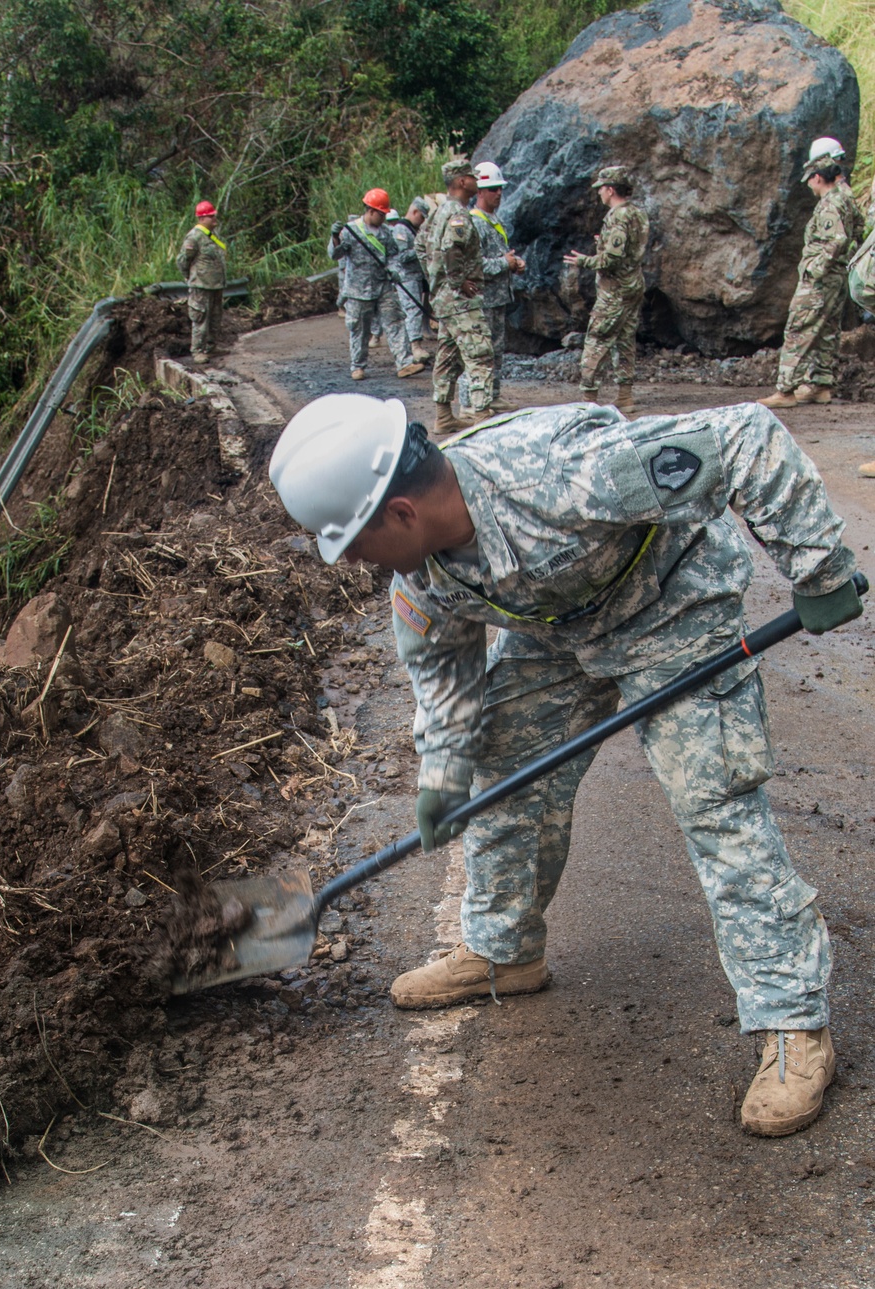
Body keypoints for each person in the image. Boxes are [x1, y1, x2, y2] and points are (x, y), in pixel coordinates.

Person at [270, 390, 865, 1138]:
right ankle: (502, 949)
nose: (353, 561)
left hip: (668, 607)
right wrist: (444, 769)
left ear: (401, 513)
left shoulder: (566, 475)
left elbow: (745, 437)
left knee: (715, 801)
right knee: (499, 759)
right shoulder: (422, 572)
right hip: (559, 629)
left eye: (353, 541)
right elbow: (442, 668)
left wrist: (820, 568)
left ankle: (792, 1020)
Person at [759, 154, 862, 409]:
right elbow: (858, 228)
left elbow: (837, 239)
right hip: (837, 277)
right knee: (827, 331)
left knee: (798, 330)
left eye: (810, 180)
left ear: (818, 178)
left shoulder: (830, 203)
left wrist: (816, 268)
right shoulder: (846, 196)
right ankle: (820, 385)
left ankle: (785, 390)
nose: (808, 185)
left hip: (820, 281)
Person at [415, 160, 495, 435]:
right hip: (459, 299)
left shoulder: (438, 212)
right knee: (480, 353)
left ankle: (443, 415)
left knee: (449, 355)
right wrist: (458, 281)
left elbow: (419, 243)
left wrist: (435, 280)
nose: (476, 181)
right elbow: (451, 247)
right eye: (472, 177)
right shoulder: (458, 214)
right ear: (462, 181)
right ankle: (483, 417)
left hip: (445, 299)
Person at [564, 166, 649, 413]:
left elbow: (611, 259)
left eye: (601, 188)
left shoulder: (617, 216)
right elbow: (629, 249)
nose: (599, 192)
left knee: (597, 339)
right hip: (633, 285)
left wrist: (585, 260)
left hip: (615, 290)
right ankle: (625, 395)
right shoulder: (637, 213)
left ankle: (588, 399)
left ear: (610, 189)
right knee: (625, 339)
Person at [328, 189, 424, 382]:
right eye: (381, 214)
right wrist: (335, 237)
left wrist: (394, 270)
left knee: (395, 321)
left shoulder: (386, 234)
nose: (383, 218)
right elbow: (335, 254)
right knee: (359, 329)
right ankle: (358, 366)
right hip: (358, 290)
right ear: (371, 210)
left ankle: (404, 363)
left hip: (383, 287)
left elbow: (394, 255)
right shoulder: (350, 231)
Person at [457, 161, 525, 414]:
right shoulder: (474, 223)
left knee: (496, 351)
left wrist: (514, 264)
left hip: (497, 298)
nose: (498, 193)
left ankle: (491, 396)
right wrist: (503, 263)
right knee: (477, 353)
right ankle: (468, 403)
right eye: (493, 189)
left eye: (500, 189)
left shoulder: (494, 220)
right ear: (480, 192)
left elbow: (496, 257)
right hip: (480, 299)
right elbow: (469, 265)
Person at [176, 200, 227, 363]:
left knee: (215, 317)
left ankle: (211, 347)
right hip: (201, 286)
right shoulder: (194, 237)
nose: (214, 219)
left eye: (214, 216)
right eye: (210, 216)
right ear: (202, 219)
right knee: (200, 318)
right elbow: (183, 260)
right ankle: (197, 350)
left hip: (215, 285)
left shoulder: (210, 235)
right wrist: (189, 277)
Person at [391, 197, 432, 363]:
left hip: (415, 277)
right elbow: (401, 256)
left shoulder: (412, 230)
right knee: (412, 310)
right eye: (421, 217)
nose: (422, 221)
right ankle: (415, 346)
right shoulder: (401, 230)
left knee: (416, 309)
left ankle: (414, 344)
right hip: (406, 277)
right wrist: (421, 250)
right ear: (414, 212)